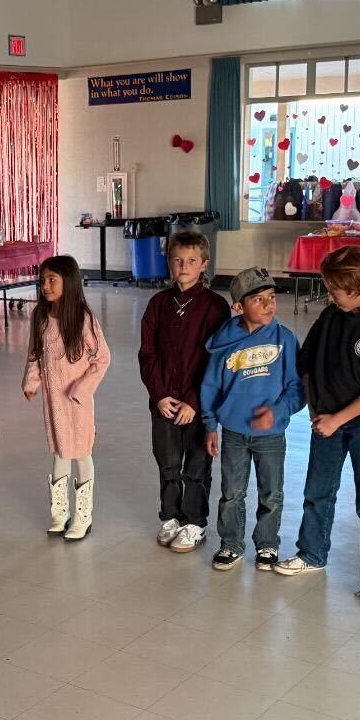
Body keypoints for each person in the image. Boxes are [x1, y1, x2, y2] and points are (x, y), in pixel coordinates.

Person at [273, 246, 360, 601]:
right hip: (325, 422)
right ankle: (311, 553)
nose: (330, 296)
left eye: (335, 290)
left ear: (358, 286)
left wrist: (338, 419)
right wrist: (316, 408)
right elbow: (307, 362)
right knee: (317, 492)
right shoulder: (332, 315)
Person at [200, 267, 303, 572]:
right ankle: (231, 544)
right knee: (232, 493)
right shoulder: (223, 343)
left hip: (271, 435)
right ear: (239, 307)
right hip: (233, 432)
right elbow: (210, 386)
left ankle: (267, 544)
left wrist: (278, 413)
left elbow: (297, 388)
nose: (269, 305)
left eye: (271, 297)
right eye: (258, 300)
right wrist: (210, 425)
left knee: (272, 494)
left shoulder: (285, 339)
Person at [140, 230, 227, 553]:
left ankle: (194, 522)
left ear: (204, 264)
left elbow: (215, 359)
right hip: (163, 402)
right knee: (168, 463)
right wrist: (159, 395)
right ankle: (170, 516)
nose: (184, 266)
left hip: (198, 404)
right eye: (177, 260)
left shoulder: (215, 306)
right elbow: (147, 353)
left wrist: (193, 400)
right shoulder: (158, 304)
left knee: (196, 466)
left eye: (191, 260)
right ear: (169, 263)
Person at [22, 255, 111, 541]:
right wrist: (32, 382)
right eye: (42, 280)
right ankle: (60, 514)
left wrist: (82, 389)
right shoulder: (40, 318)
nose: (45, 286)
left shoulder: (83, 318)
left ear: (68, 282)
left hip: (77, 403)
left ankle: (83, 516)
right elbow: (34, 354)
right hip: (53, 403)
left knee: (81, 452)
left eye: (52, 280)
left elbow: (102, 358)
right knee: (59, 452)